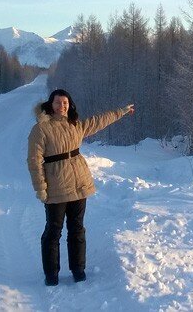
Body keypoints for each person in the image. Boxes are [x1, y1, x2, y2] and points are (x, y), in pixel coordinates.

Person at [27, 89, 134, 286]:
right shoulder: (41, 129)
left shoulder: (75, 124)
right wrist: (40, 187)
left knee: (77, 229)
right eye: (58, 102)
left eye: (65, 103)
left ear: (70, 105)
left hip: (79, 183)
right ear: (50, 104)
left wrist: (122, 111)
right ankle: (51, 275)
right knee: (53, 231)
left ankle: (78, 270)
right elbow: (34, 161)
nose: (62, 106)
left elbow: (99, 120)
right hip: (56, 187)